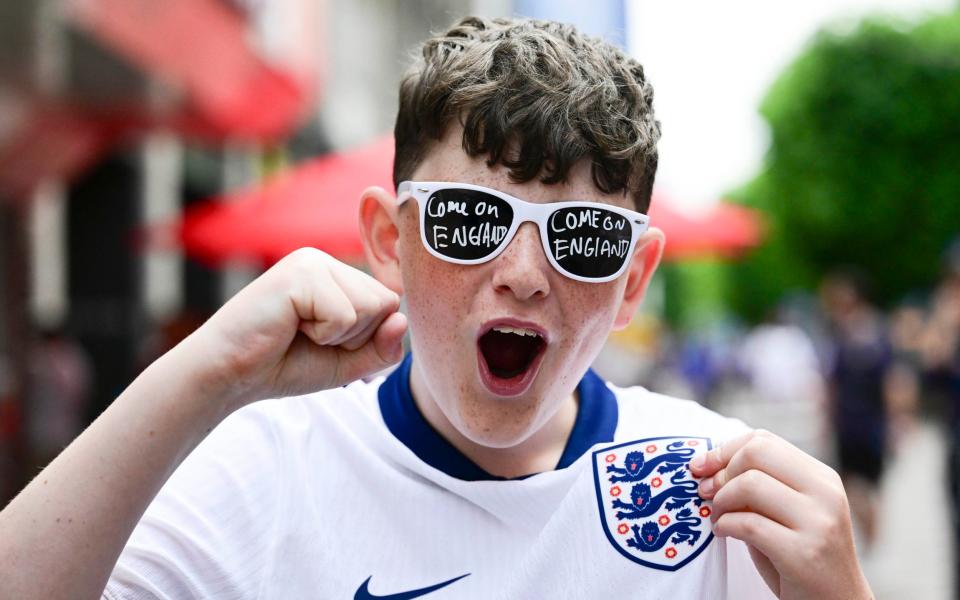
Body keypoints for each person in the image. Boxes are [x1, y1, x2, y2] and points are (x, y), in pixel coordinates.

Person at [0, 17, 872, 599]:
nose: (525, 274)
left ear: (634, 277)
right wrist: (201, 376)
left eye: (582, 237)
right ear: (390, 238)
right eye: (471, 221)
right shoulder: (263, 471)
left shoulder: (716, 496)